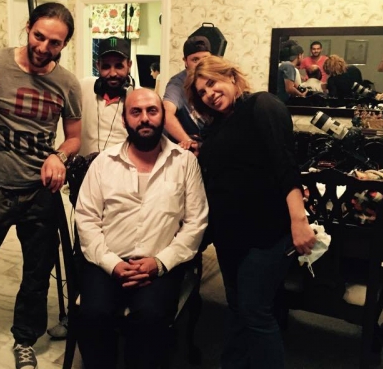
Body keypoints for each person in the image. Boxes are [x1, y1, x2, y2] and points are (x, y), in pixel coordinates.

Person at [185, 55, 317, 368]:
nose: (209, 94)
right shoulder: (216, 126)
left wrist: (299, 220)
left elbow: (285, 165)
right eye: (202, 92)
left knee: (255, 311)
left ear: (230, 77)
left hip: (266, 232)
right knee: (237, 307)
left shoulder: (262, 105)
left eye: (212, 83)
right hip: (230, 235)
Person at [0, 2, 81, 369]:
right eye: (39, 36)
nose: (44, 47)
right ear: (28, 27)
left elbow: (74, 137)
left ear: (64, 44)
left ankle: (25, 339)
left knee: (37, 273)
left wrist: (59, 156)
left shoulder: (67, 83)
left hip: (40, 192)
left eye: (55, 43)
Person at [75, 88, 208, 369]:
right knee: (93, 315)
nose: (145, 118)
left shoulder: (185, 163)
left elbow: (195, 223)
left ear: (162, 116)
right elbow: (86, 219)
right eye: (136, 112)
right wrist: (111, 263)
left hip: (159, 263)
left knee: (151, 318)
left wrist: (159, 263)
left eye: (152, 111)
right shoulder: (103, 163)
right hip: (107, 261)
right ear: (124, 120)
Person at [78, 37, 133, 156]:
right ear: (98, 66)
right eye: (106, 66)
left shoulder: (139, 99)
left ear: (129, 65)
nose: (112, 73)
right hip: (85, 165)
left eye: (119, 66)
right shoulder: (83, 86)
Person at [163, 35, 212, 152]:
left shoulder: (218, 77)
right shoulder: (177, 84)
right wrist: (189, 142)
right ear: (185, 62)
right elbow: (166, 114)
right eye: (195, 60)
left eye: (205, 58)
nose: (201, 64)